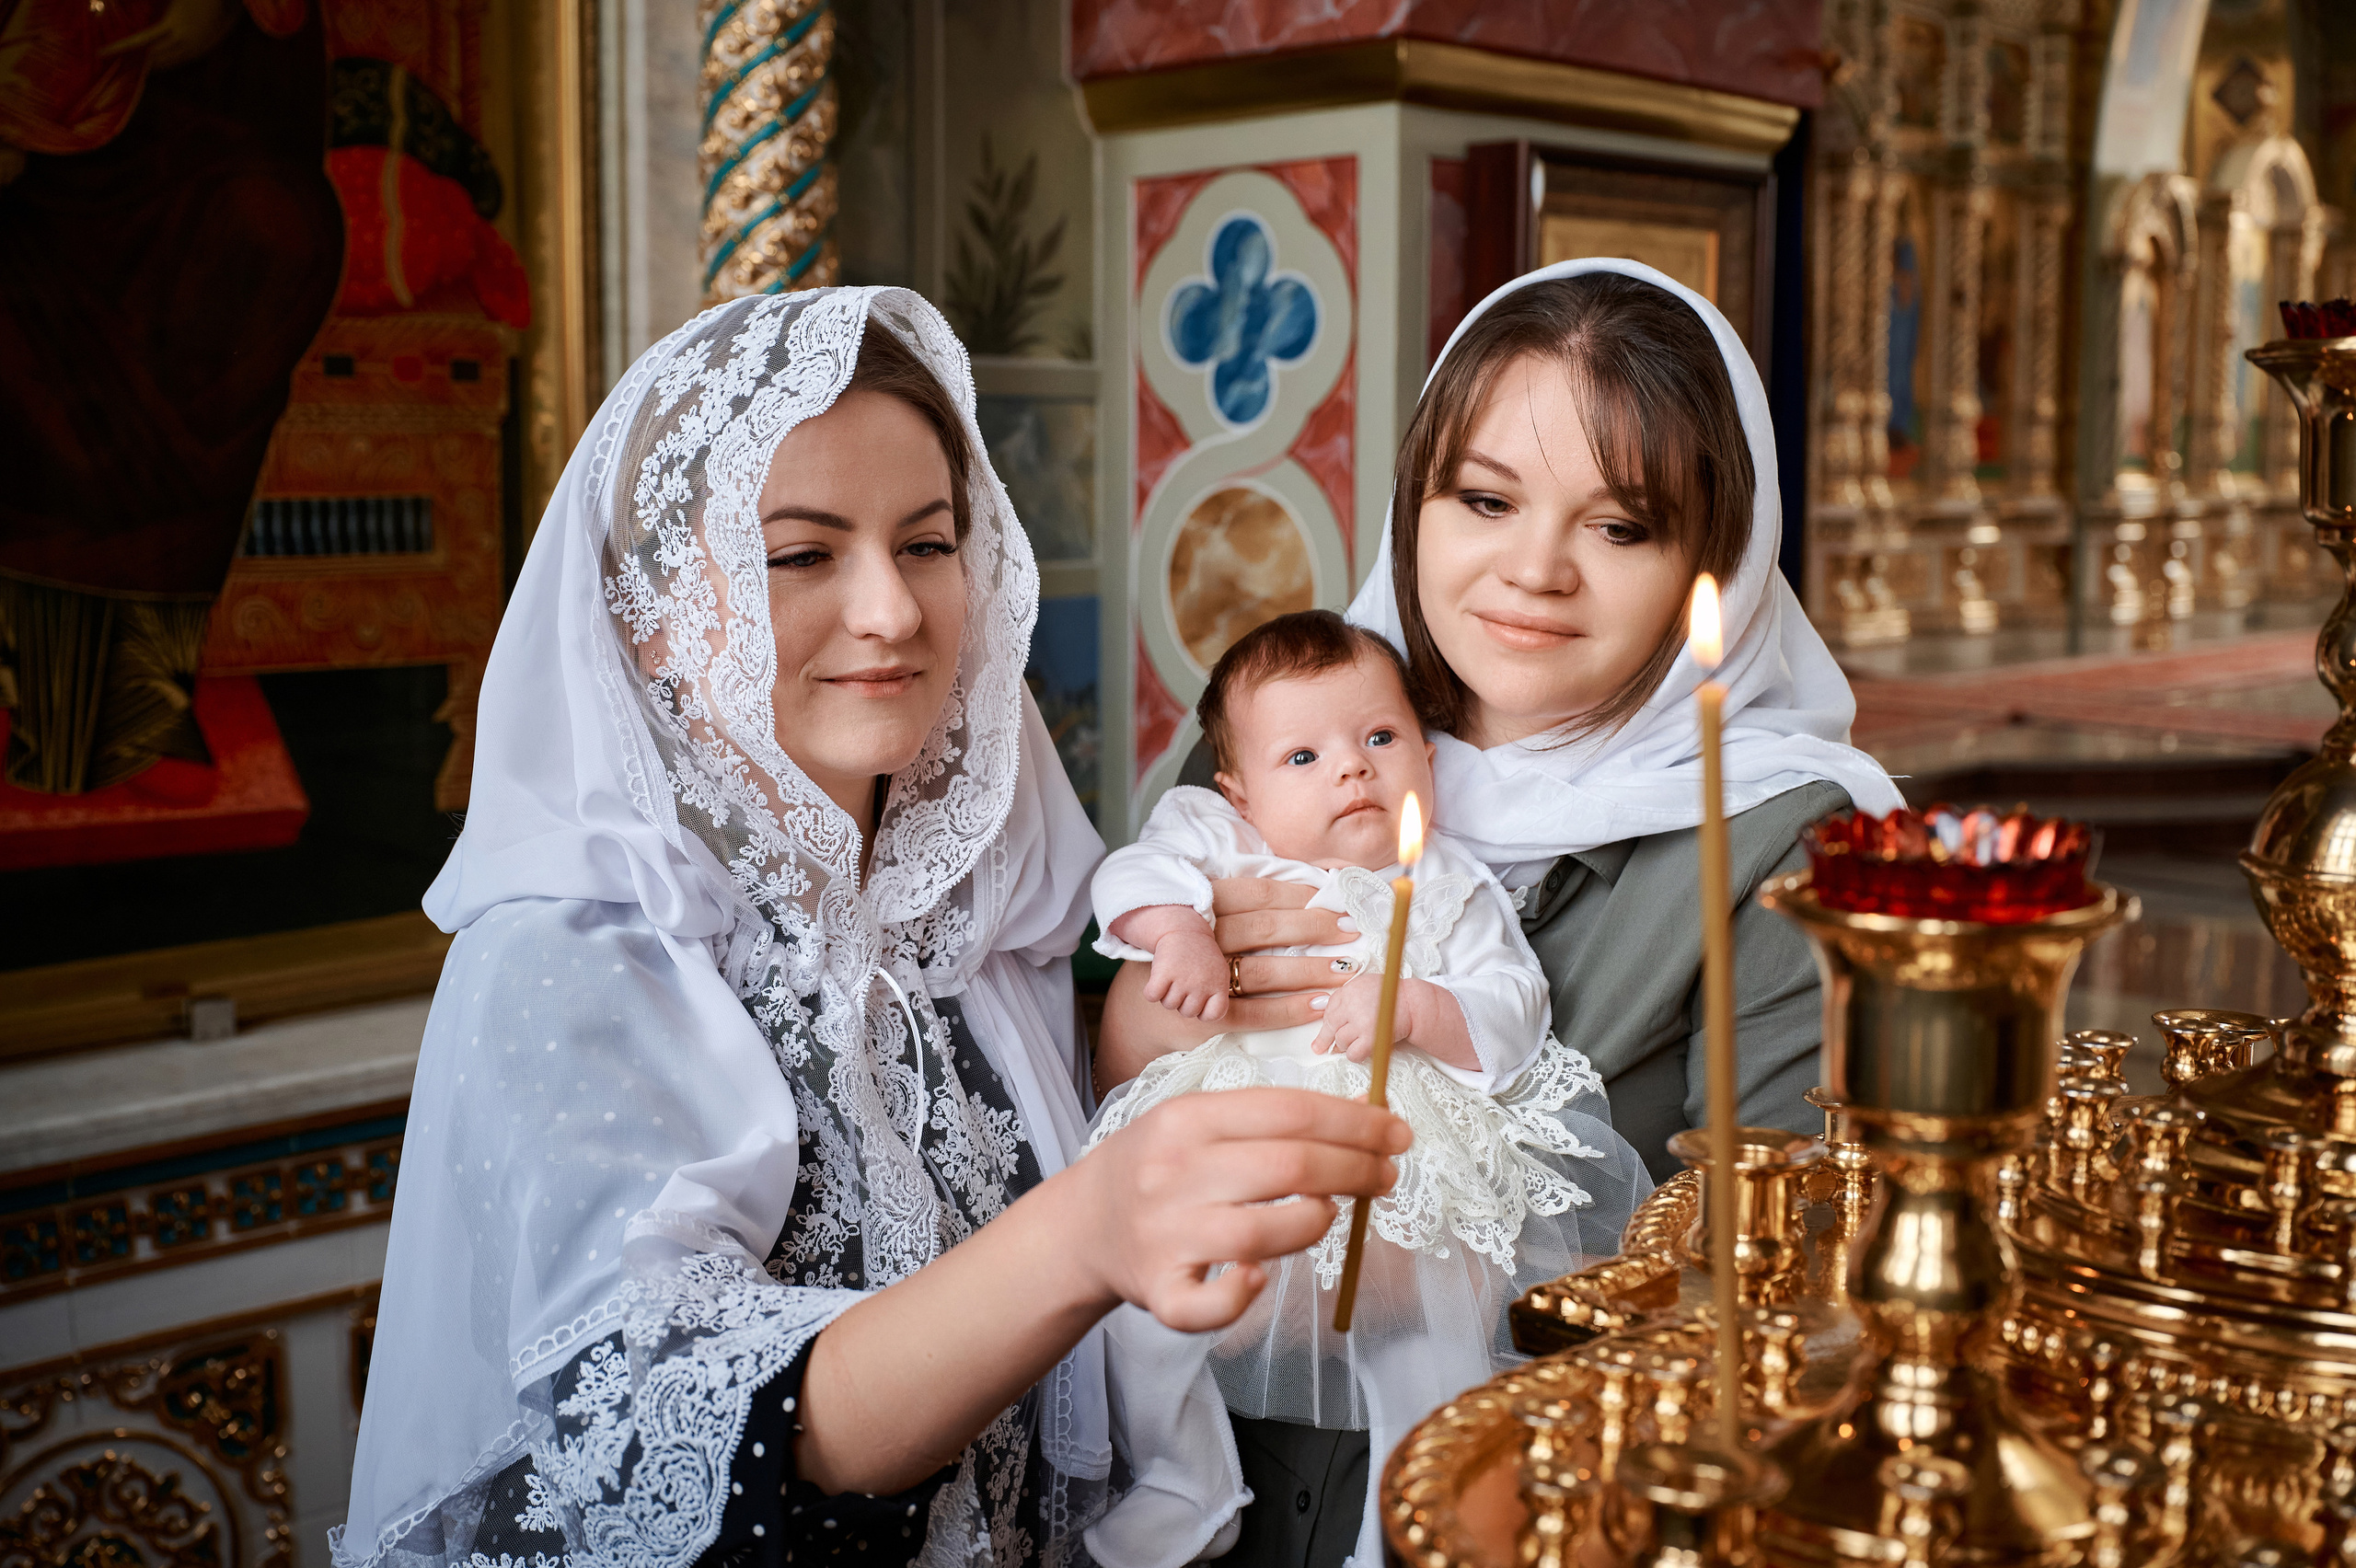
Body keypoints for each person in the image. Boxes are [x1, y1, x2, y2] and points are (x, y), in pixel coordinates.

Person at [336, 286, 1407, 1568]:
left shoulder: (978, 919)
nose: (891, 612)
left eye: (927, 543)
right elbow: (668, 1446)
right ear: (656, 618)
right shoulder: (575, 956)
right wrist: (1084, 1233)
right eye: (802, 554)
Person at [1096, 259, 1902, 1566]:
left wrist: (1394, 1253)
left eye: (1622, 527)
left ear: (1722, 560)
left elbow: (1781, 1282)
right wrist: (1164, 1008)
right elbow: (1113, 1065)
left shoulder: (1785, 837)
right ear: (1417, 500)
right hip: (1214, 1480)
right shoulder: (1296, 732)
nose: (1536, 571)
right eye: (1484, 499)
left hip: (1538, 1494)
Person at [1085, 607, 1647, 1568]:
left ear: (1427, 760)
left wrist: (1420, 1009)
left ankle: (1411, 1519)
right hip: (1236, 1131)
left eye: (1379, 738)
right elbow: (1135, 873)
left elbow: (1515, 1004)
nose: (1350, 767)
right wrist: (1175, 932)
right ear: (1239, 792)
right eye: (1301, 757)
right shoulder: (1220, 836)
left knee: (1435, 1352)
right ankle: (1186, 1480)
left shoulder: (1444, 883)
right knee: (1138, 1317)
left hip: (1399, 1155)